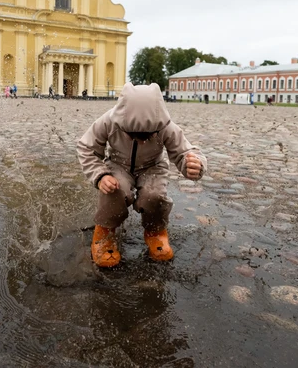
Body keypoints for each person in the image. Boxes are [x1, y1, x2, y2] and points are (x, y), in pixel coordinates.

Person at [77, 83, 207, 268]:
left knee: (154, 196)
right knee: (115, 190)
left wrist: (194, 165)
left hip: (152, 167)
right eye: (134, 134)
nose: (142, 139)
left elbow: (185, 151)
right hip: (118, 164)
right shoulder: (109, 121)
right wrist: (100, 175)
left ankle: (155, 232)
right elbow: (86, 148)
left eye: (148, 135)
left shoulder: (165, 126)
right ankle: (105, 232)